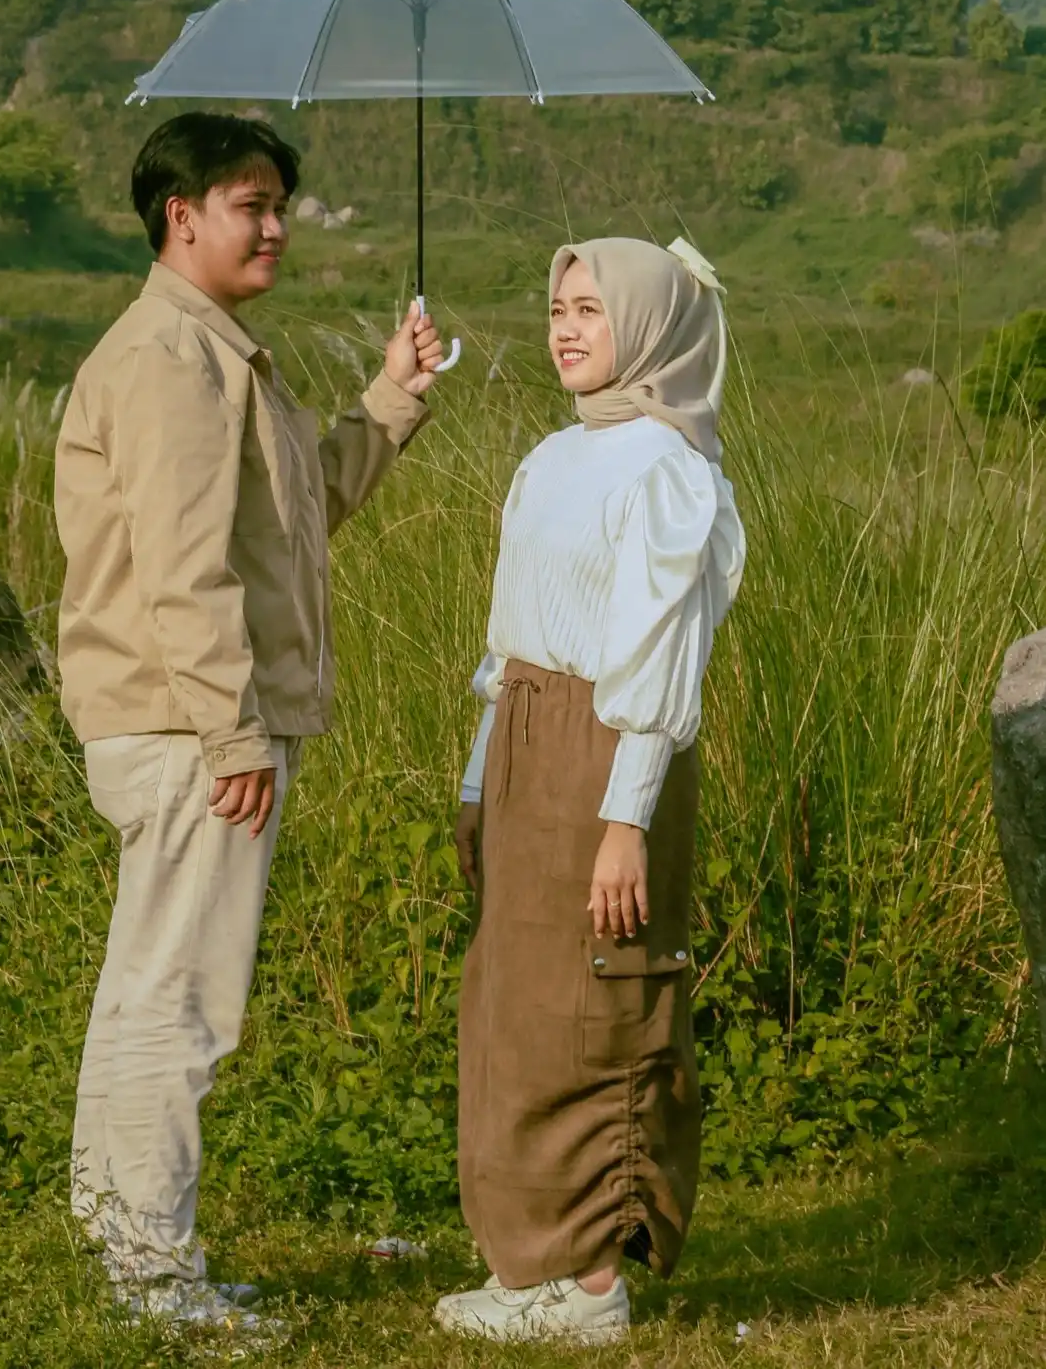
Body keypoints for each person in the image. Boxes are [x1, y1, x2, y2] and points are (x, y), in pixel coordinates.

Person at [53, 111, 443, 1328]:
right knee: (183, 1002)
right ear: (182, 217)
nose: (276, 226)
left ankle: (120, 1247)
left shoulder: (211, 352)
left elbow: (295, 516)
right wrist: (232, 733)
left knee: (143, 992)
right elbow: (184, 571)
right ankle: (155, 1276)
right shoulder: (172, 360)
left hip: (176, 720)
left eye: (280, 204)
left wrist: (392, 394)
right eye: (250, 204)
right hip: (188, 727)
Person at [437, 236, 746, 1343]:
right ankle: (528, 1260)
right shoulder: (553, 454)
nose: (565, 328)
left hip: (607, 752)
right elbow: (509, 640)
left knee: (594, 1000)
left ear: (650, 328)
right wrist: (481, 776)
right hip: (528, 737)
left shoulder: (668, 469)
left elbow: (659, 663)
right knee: (516, 1004)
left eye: (591, 310)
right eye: (558, 307)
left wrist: (626, 819)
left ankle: (590, 1284)